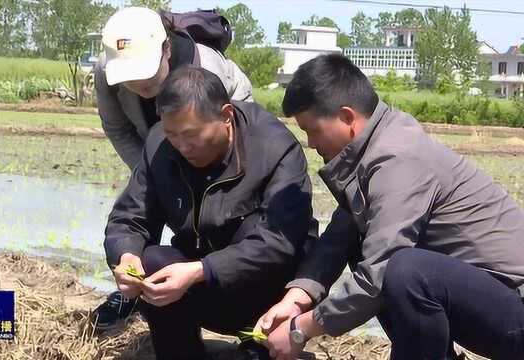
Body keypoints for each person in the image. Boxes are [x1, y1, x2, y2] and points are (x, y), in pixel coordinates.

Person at [257, 54, 524, 360]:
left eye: (313, 130)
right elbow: (340, 235)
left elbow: (380, 272)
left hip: (516, 309)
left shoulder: (397, 157)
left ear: (346, 117)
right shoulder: (376, 144)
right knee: (371, 249)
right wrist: (298, 297)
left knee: (405, 271)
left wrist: (301, 328)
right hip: (490, 300)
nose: (311, 143)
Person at [103, 66, 318, 360]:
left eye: (191, 134)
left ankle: (259, 347)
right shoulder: (159, 145)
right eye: (172, 134)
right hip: (201, 285)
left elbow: (278, 242)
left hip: (269, 293)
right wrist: (125, 256)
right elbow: (129, 217)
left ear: (226, 115)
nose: (181, 146)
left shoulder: (275, 149)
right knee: (152, 260)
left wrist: (200, 270)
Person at [93, 6, 254, 328]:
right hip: (152, 146)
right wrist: (151, 172)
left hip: (213, 142)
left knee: (216, 218)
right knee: (140, 210)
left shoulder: (207, 67)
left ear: (166, 49)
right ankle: (132, 292)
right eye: (130, 76)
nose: (138, 82)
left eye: (146, 71)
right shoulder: (106, 71)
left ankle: (227, 296)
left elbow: (229, 133)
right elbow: (118, 128)